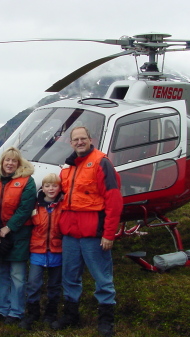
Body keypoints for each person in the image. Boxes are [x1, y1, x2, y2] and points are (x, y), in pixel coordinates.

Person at [51, 126, 123, 337]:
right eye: (76, 139)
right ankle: (71, 315)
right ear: (71, 142)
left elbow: (114, 200)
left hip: (94, 234)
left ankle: (106, 320)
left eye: (83, 138)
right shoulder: (68, 167)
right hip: (71, 235)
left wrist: (109, 234)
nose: (79, 142)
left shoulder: (102, 162)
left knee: (102, 278)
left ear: (91, 140)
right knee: (70, 277)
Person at [0, 146, 37, 325]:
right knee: (0, 274)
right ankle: (0, 309)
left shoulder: (27, 181)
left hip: (18, 234)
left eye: (13, 161)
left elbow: (26, 208)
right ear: (2, 162)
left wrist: (8, 228)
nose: (10, 163)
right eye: (7, 160)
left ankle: (16, 311)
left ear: (18, 163)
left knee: (17, 275)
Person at [19, 173, 64, 331]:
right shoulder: (35, 206)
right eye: (47, 186)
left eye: (54, 185)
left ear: (60, 188)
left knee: (54, 285)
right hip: (37, 251)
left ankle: (51, 313)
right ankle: (32, 312)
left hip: (57, 251)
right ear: (42, 188)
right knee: (33, 284)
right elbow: (27, 224)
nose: (51, 189)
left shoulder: (64, 206)